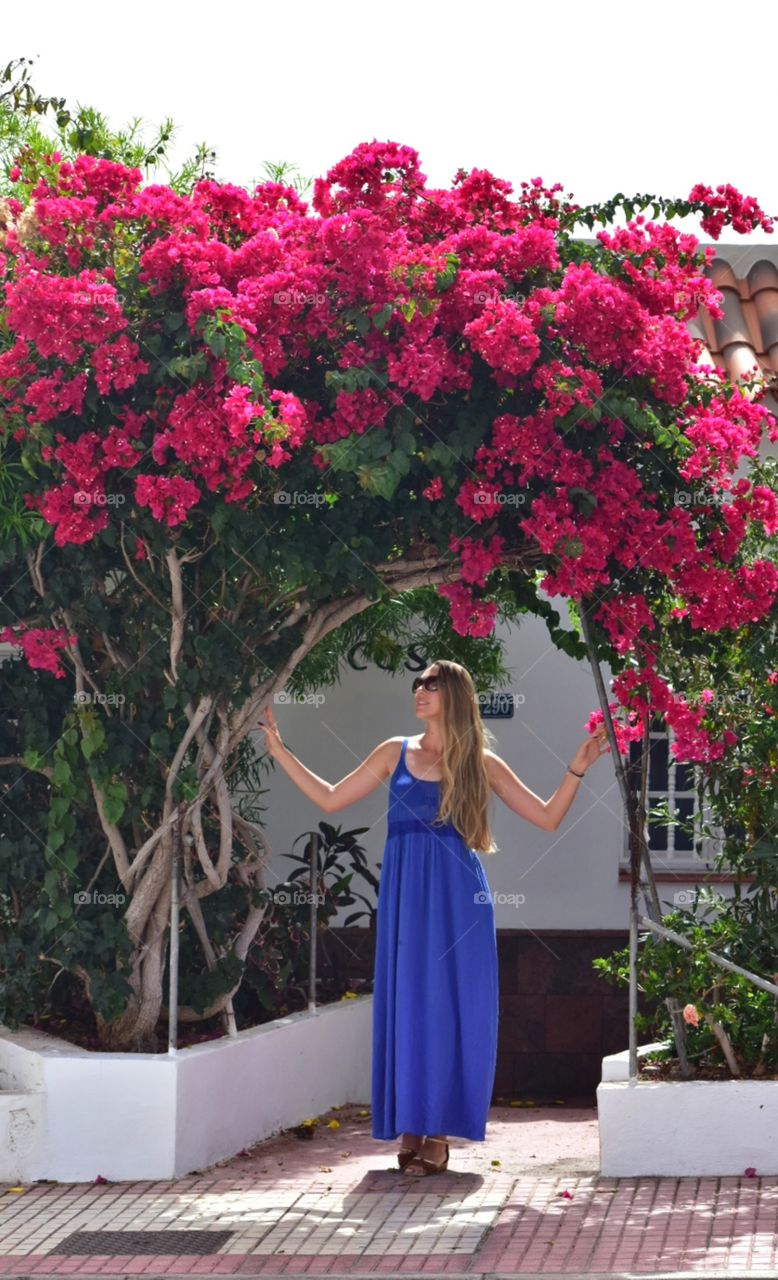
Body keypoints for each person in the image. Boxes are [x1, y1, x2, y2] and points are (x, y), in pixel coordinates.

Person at [258, 659, 608, 1177]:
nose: (419, 690)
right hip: (404, 899)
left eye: (431, 684)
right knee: (407, 1005)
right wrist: (279, 750)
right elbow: (331, 799)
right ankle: (410, 1127)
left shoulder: (481, 763)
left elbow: (547, 816)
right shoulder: (393, 752)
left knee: (449, 1006)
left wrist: (577, 766)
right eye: (417, 683)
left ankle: (438, 1131)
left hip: (458, 900)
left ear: (455, 695)